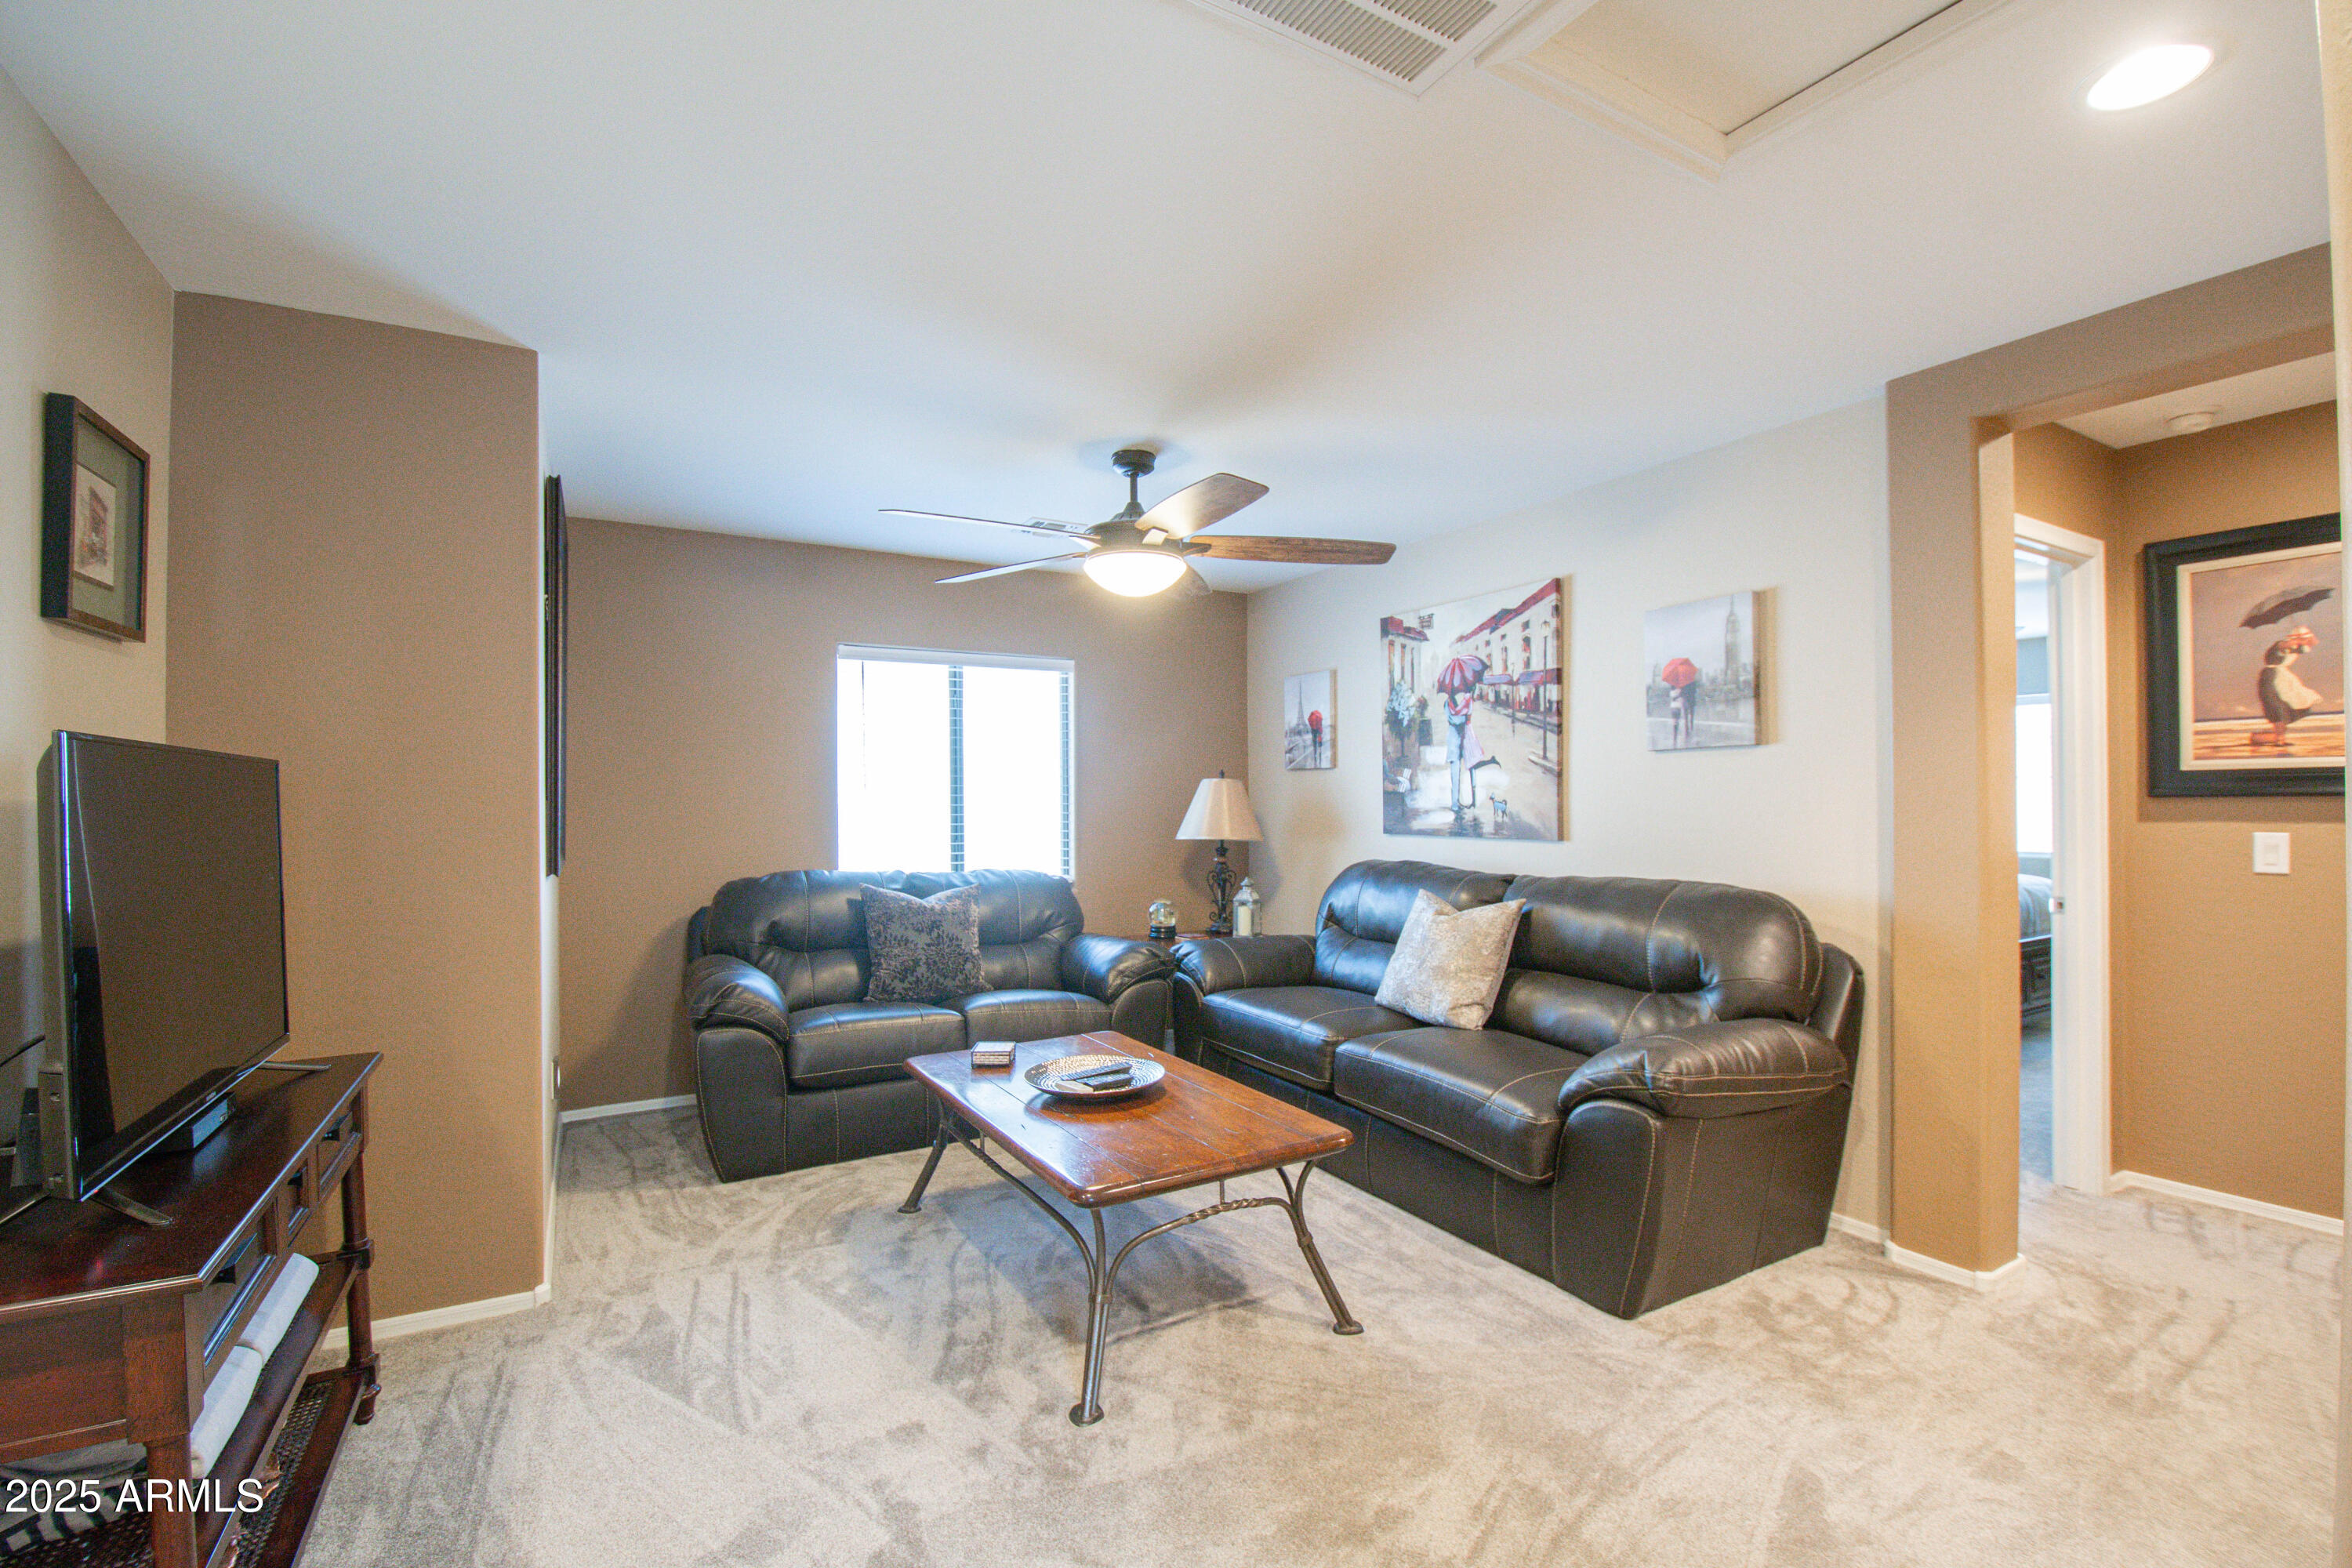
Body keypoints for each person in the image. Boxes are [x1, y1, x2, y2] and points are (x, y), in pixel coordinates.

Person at [2255, 625, 2324, 748]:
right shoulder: (2282, 645)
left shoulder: (2296, 647)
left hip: (2282, 679)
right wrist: (2298, 639)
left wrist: (2307, 635)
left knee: (2285, 709)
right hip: (2270, 679)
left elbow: (2314, 642)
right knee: (2276, 708)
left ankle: (2278, 739)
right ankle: (2279, 740)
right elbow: (2284, 646)